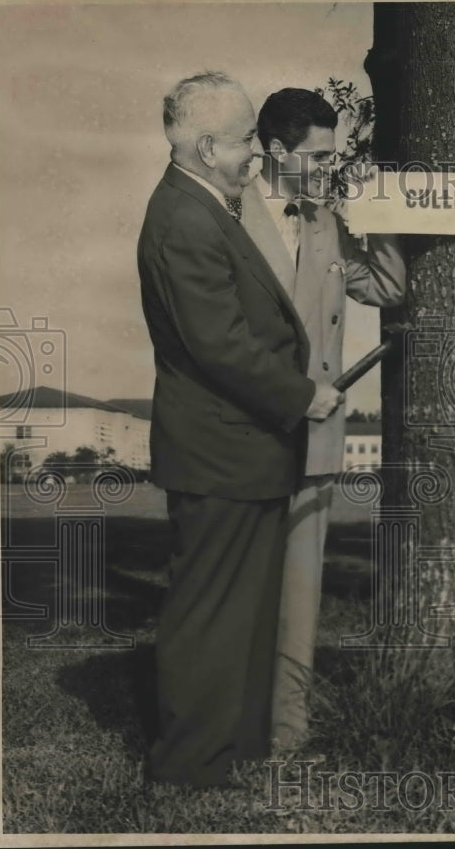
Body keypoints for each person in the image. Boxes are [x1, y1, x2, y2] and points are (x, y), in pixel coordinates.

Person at [136, 72, 341, 787]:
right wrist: (302, 394)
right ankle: (190, 762)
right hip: (219, 447)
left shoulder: (204, 205)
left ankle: (237, 748)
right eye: (245, 138)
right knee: (209, 612)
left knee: (245, 611)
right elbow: (218, 343)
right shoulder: (186, 219)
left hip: (243, 447)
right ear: (202, 146)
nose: (256, 151)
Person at [241, 87, 405, 750]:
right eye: (318, 156)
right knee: (239, 586)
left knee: (301, 593)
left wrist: (381, 212)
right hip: (247, 432)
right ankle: (230, 719)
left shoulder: (327, 220)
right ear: (277, 151)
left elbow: (389, 287)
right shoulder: (226, 212)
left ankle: (287, 728)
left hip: (313, 438)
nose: (329, 168)